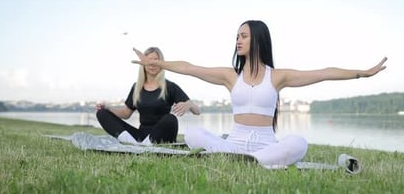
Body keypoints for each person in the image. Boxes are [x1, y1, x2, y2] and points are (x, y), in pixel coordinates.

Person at [132, 20, 387, 166]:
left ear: (258, 39)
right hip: (233, 144)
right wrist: (157, 64)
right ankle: (250, 160)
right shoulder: (231, 76)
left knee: (300, 143)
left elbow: (323, 72)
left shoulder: (276, 77)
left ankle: (252, 159)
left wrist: (361, 73)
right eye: (237, 36)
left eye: (243, 36)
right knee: (194, 133)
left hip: (265, 144)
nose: (238, 41)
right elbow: (189, 67)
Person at [96, 47, 200, 146]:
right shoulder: (136, 87)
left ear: (162, 63)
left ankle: (143, 146)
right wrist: (108, 107)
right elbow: (126, 113)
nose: (152, 63)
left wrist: (189, 104)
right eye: (149, 60)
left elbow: (197, 111)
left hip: (163, 136)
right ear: (143, 63)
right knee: (102, 114)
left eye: (156, 60)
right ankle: (136, 145)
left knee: (170, 119)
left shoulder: (169, 86)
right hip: (141, 136)